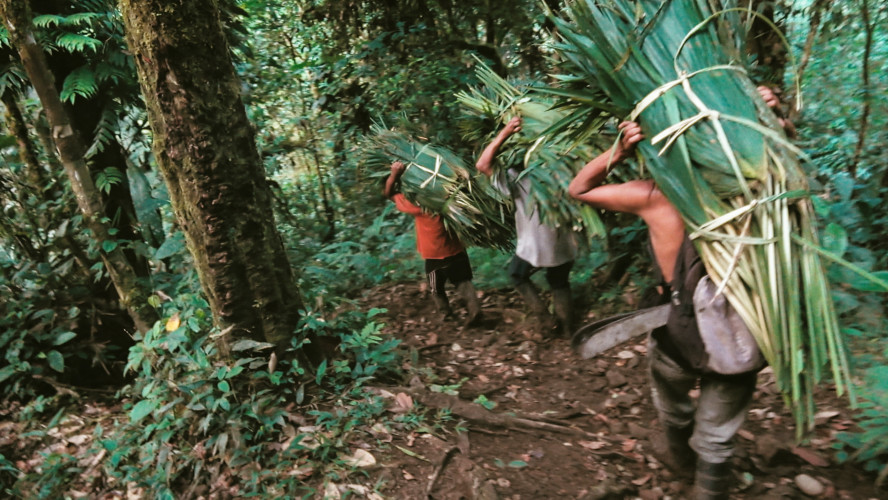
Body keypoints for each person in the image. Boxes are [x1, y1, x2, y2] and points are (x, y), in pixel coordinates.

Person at [568, 120, 759, 499]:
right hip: (745, 334)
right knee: (717, 434)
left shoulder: (655, 196)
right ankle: (707, 486)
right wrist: (778, 120)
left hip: (678, 330)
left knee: (672, 402)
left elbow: (578, 189)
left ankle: (681, 463)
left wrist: (618, 151)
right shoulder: (760, 197)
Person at [475, 116, 578, 336]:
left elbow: (482, 164)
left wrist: (504, 133)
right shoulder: (562, 171)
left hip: (537, 243)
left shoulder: (516, 179)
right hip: (565, 241)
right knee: (559, 281)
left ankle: (546, 320)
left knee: (516, 274)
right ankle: (568, 330)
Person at [384, 160, 481, 326]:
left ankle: (446, 314)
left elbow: (388, 193)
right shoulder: (449, 199)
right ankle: (475, 311)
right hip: (456, 251)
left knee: (436, 288)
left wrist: (395, 175)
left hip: (434, 256)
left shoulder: (418, 207)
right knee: (464, 283)